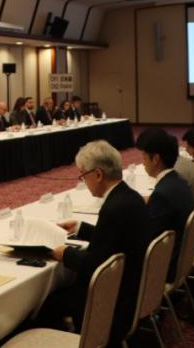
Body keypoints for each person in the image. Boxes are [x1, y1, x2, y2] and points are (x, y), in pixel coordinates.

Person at [41, 140, 148, 345]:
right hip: (132, 288)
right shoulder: (130, 196)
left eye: (83, 175)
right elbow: (114, 238)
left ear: (98, 174)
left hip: (111, 301)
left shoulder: (113, 208)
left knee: (47, 303)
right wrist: (80, 228)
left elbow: (97, 264)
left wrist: (65, 253)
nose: (83, 181)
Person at [136, 128, 194, 279]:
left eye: (144, 157)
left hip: (166, 268)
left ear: (156, 159)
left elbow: (149, 240)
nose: (142, 162)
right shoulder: (178, 181)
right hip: (183, 257)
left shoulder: (162, 194)